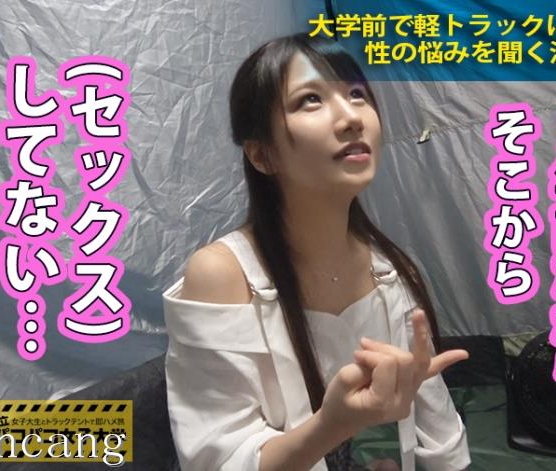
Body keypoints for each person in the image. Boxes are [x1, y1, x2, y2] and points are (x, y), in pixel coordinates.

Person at [163, 32, 471, 471]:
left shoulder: (390, 269)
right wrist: (331, 426)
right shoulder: (222, 275)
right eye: (310, 100)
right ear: (262, 155)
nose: (351, 118)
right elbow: (219, 459)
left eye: (357, 94)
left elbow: (440, 438)